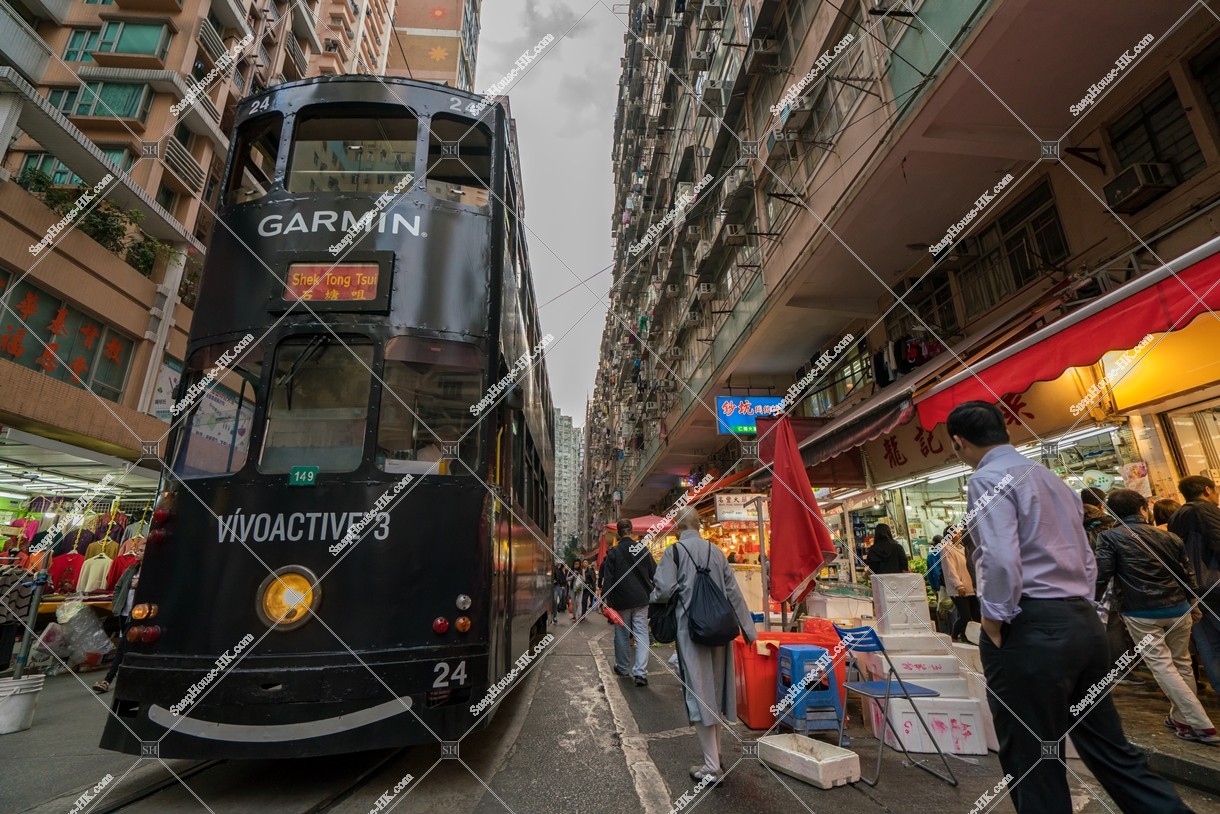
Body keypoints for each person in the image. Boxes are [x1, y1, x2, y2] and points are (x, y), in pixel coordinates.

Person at [946, 400, 1192, 814]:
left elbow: (1001, 558)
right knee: (1110, 749)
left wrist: (993, 617)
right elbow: (1086, 555)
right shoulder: (1050, 478)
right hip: (1081, 623)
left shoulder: (987, 478)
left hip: (1029, 626)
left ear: (959, 442)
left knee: (1033, 757)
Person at [1094, 488, 1216, 743]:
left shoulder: (1109, 537)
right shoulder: (1169, 536)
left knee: (1162, 665)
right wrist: (1193, 601)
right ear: (1142, 509)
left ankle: (1200, 723)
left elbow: (1101, 574)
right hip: (1178, 607)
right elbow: (1187, 571)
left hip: (1140, 611)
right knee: (1181, 663)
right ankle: (1181, 720)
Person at [650, 507, 757, 784]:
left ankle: (711, 767)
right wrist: (749, 630)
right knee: (715, 692)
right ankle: (715, 757)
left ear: (677, 529)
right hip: (721, 630)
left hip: (691, 632)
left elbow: (662, 590)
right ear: (699, 526)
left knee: (699, 694)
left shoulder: (674, 553)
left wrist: (653, 599)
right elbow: (733, 592)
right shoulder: (717, 552)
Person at [1168, 475, 1220, 698]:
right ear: (1207, 490)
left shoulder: (1175, 516)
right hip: (1214, 585)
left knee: (1208, 643)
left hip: (1192, 590)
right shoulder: (1205, 510)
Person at [600, 519, 657, 686]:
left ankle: (623, 668)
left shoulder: (614, 552)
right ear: (632, 531)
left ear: (618, 533)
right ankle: (640, 673)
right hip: (641, 599)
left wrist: (606, 599)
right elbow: (654, 573)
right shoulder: (642, 549)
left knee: (622, 634)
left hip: (621, 599)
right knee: (641, 634)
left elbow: (608, 579)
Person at [93, 541, 144, 694]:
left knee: (122, 646)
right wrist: (116, 605)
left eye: (141, 550)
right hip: (123, 613)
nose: (137, 552)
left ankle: (107, 680)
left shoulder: (154, 572)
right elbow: (118, 587)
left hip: (136, 615)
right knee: (127, 647)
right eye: (138, 549)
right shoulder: (130, 570)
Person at [941, 531, 980, 642]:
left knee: (976, 614)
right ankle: (954, 635)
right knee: (965, 616)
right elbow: (950, 570)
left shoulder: (963, 547)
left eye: (958, 533)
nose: (958, 535)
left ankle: (968, 636)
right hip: (958, 589)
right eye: (954, 533)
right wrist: (958, 585)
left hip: (970, 586)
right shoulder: (946, 549)